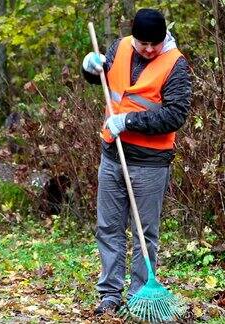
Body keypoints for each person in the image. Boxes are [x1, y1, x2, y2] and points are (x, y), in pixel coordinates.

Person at [81, 8, 192, 315]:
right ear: (135, 36)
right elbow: (106, 81)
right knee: (108, 227)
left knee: (145, 233)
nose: (148, 49)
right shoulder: (120, 47)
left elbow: (175, 115)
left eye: (154, 43)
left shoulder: (175, 64)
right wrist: (91, 69)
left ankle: (140, 295)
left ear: (163, 38)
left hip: (150, 163)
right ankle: (109, 295)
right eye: (143, 42)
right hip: (112, 155)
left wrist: (129, 121)